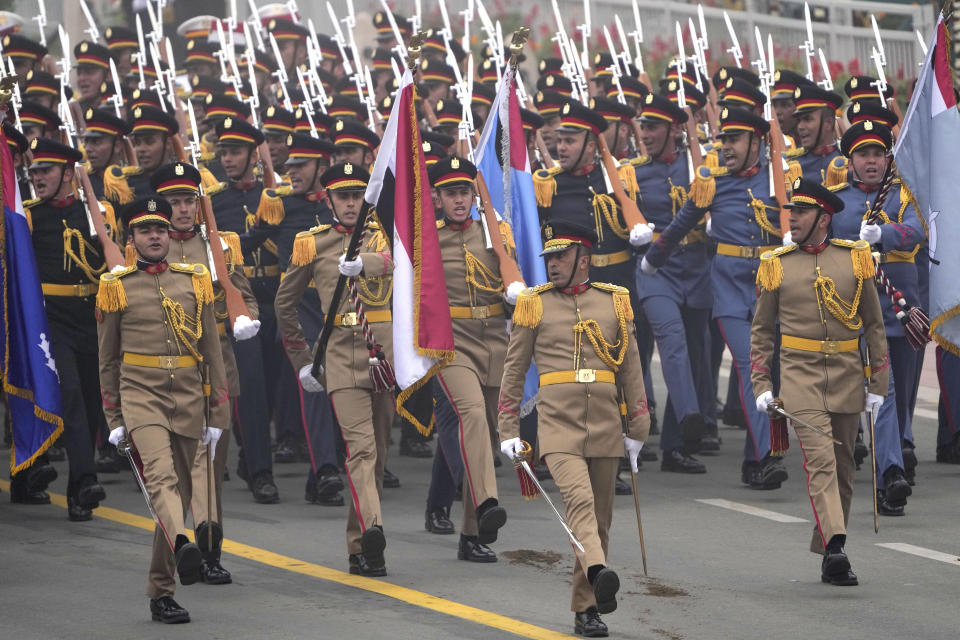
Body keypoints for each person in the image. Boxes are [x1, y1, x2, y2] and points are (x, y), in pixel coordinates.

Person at [498, 220, 650, 637]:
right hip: (557, 426)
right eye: (549, 257)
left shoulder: (614, 302)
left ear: (585, 259)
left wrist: (639, 427)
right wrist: (508, 428)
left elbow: (631, 368)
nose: (553, 264)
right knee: (580, 504)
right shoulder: (535, 304)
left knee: (599, 521)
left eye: (562, 256)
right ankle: (599, 570)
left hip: (604, 423)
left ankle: (586, 610)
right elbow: (513, 373)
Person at [642, 107, 797, 490]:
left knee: (772, 373)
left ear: (757, 142)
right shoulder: (713, 182)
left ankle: (754, 460)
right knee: (751, 365)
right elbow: (683, 222)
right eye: (723, 139)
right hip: (728, 291)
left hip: (772, 289)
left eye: (735, 139)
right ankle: (767, 457)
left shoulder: (781, 180)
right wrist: (652, 260)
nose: (725, 146)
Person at [97, 196, 229, 623]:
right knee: (161, 478)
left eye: (160, 229)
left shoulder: (195, 280)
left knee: (180, 493)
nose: (154, 236)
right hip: (140, 394)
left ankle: (161, 590)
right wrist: (115, 418)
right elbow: (108, 359)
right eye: (144, 230)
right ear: (131, 239)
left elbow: (212, 348)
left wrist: (217, 412)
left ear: (170, 235)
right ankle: (182, 540)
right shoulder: (116, 285)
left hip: (189, 394)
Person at [751, 178, 888, 586]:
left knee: (844, 470)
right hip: (799, 376)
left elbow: (874, 327)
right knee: (821, 462)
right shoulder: (776, 263)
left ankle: (828, 543)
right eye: (791, 211)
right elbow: (761, 331)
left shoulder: (855, 259)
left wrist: (878, 384)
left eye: (802, 212)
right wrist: (761, 383)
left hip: (846, 374)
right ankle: (835, 548)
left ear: (824, 219)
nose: (792, 217)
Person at [275, 162, 395, 576]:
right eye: (342, 196)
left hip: (383, 356)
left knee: (377, 455)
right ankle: (373, 530)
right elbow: (284, 304)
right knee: (360, 449)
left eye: (357, 195)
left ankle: (360, 544)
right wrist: (302, 361)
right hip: (341, 355)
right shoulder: (314, 244)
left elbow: (401, 263)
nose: (350, 203)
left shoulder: (384, 238)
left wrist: (366, 263)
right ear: (328, 200)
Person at [150, 160, 264, 583]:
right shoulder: (148, 245)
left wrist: (244, 318)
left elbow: (244, 296)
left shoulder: (221, 245)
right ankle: (181, 548)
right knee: (177, 469)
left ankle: (211, 550)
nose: (182, 209)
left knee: (213, 464)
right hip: (170, 368)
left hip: (216, 365)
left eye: (188, 200)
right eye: (174, 201)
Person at [425, 156, 516, 561]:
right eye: (450, 193)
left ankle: (470, 536)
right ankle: (486, 504)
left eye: (464, 192)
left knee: (489, 431)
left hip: (495, 340)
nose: (459, 200)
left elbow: (514, 275)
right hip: (452, 344)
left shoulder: (496, 234)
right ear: (437, 198)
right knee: (472, 415)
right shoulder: (426, 240)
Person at [827, 120, 921, 512]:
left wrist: (885, 235)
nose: (871, 161)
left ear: (888, 158)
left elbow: (918, 231)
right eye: (863, 155)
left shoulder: (903, 195)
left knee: (902, 397)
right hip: (858, 312)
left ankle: (891, 475)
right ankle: (892, 473)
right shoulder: (835, 201)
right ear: (850, 161)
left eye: (878, 154)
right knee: (884, 391)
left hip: (901, 308)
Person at [23, 137, 107, 520]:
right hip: (51, 320)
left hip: (90, 317)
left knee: (91, 403)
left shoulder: (94, 214)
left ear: (68, 174)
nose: (37, 177)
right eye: (35, 170)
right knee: (71, 394)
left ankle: (78, 492)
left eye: (46, 170)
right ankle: (87, 478)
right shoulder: (29, 216)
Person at [631, 93, 714, 472]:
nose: (644, 134)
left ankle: (676, 447)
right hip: (655, 271)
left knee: (696, 350)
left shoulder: (697, 167)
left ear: (675, 129)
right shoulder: (632, 173)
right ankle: (691, 415)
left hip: (696, 267)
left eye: (652, 127)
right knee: (672, 341)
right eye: (643, 126)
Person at [207, 117, 282, 503]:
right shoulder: (215, 202)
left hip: (278, 296)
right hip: (242, 301)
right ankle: (261, 471)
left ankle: (254, 456)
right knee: (250, 388)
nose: (228, 158)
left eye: (236, 151)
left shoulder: (275, 195)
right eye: (223, 151)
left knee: (275, 388)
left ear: (255, 155)